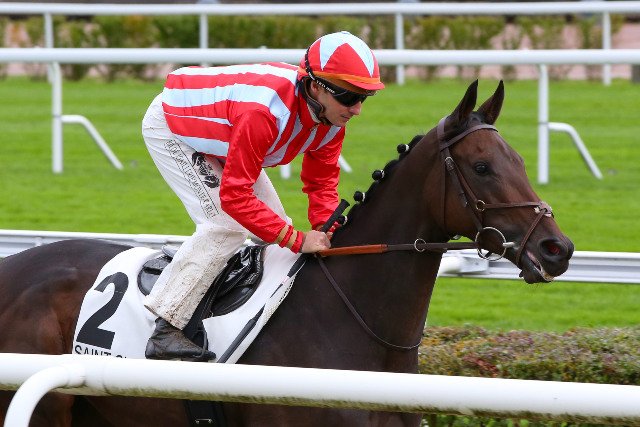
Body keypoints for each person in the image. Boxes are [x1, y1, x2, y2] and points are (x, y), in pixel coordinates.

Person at [141, 31, 385, 361]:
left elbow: (322, 183)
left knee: (275, 227)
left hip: (225, 133)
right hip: (175, 127)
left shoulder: (332, 119)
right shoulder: (264, 112)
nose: (356, 109)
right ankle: (167, 328)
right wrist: (298, 240)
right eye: (349, 96)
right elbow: (235, 197)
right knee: (226, 226)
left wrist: (327, 227)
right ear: (316, 86)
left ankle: (251, 309)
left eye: (364, 98)